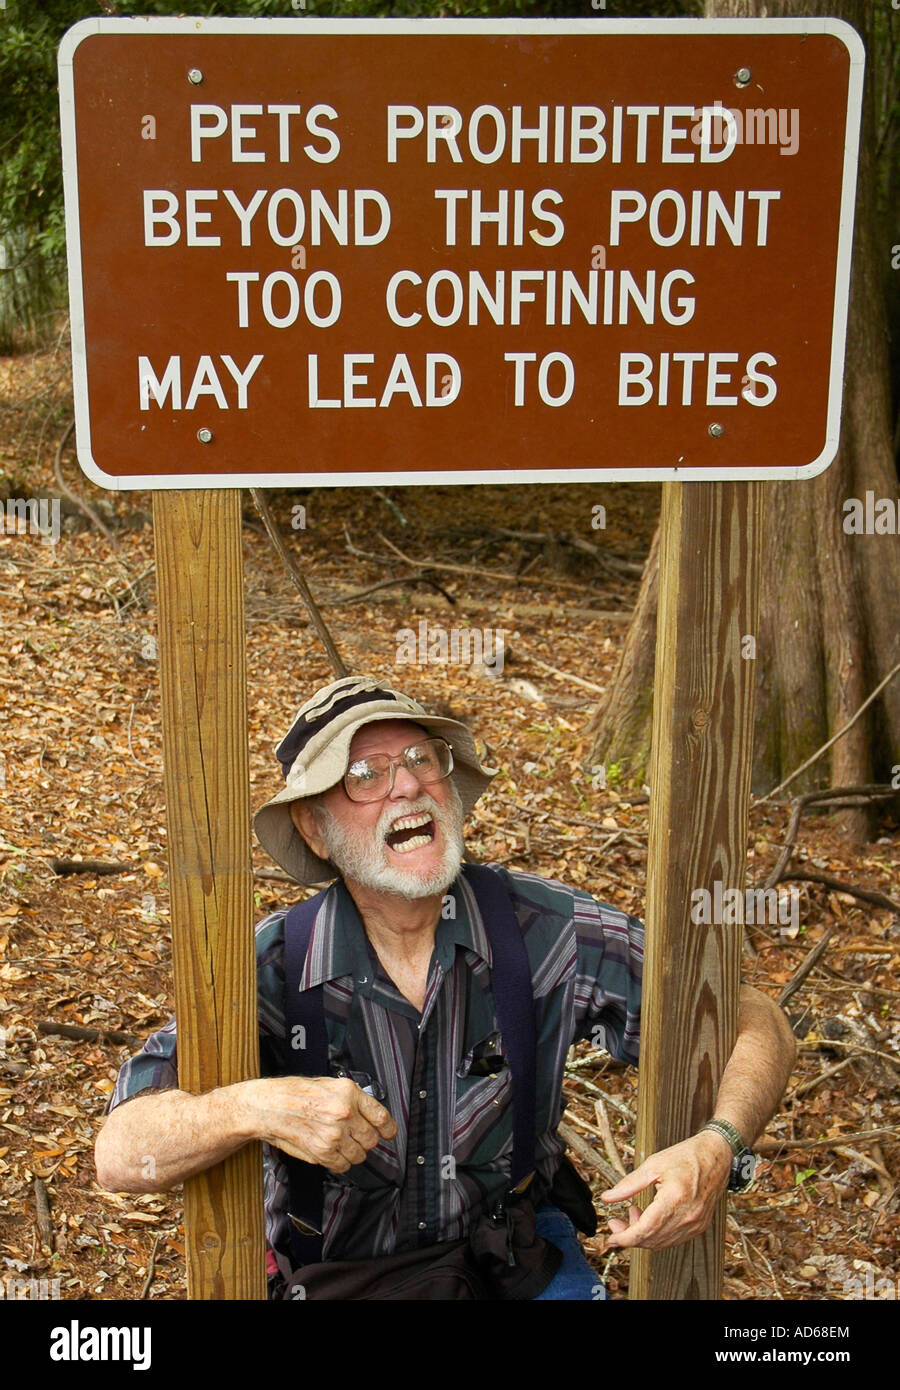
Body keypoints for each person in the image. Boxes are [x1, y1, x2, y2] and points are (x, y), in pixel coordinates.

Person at [96, 674, 797, 1300]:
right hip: (341, 1277)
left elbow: (751, 1018)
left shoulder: (546, 930)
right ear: (313, 829)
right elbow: (123, 1153)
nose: (405, 785)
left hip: (513, 1262)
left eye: (419, 760)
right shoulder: (277, 964)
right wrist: (254, 1106)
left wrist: (717, 1146)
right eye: (364, 773)